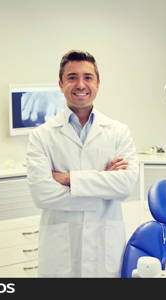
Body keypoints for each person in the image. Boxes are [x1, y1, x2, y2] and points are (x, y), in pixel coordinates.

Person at [26, 50, 139, 277]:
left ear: (98, 83)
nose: (80, 84)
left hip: (104, 245)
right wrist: (103, 183)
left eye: (88, 77)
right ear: (60, 84)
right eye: (72, 77)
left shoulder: (118, 132)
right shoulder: (41, 136)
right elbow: (42, 194)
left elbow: (125, 186)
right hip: (61, 250)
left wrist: (69, 179)